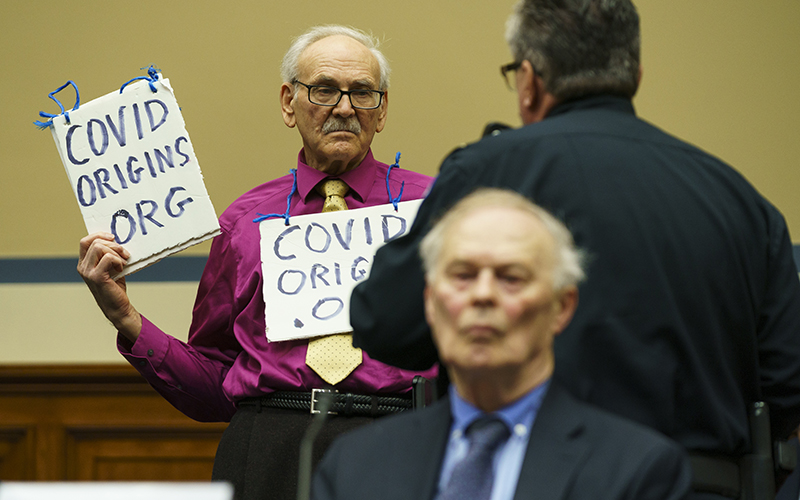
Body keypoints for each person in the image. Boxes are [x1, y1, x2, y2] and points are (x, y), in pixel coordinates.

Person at [349, 1, 800, 498]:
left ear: (529, 80)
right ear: (635, 74)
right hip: (704, 485)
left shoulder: (487, 174)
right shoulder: (739, 200)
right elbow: (787, 381)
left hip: (540, 481)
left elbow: (386, 321)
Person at [77, 25, 436, 500]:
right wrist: (125, 318)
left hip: (401, 440)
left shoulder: (435, 209)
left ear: (382, 109)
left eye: (363, 93)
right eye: (325, 89)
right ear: (289, 102)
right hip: (269, 449)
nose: (345, 108)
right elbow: (214, 384)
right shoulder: (244, 224)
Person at [313, 189, 692, 500]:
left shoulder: (636, 471)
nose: (482, 295)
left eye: (511, 278)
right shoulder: (356, 466)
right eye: (463, 275)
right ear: (430, 301)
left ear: (562, 307)